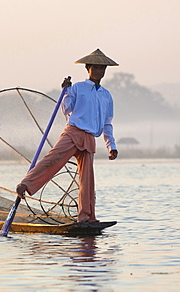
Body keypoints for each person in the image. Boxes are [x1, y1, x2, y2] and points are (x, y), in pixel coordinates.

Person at [16, 49, 119, 223]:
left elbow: (107, 123)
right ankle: (25, 184)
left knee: (87, 180)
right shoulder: (78, 87)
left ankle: (86, 217)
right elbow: (66, 109)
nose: (100, 71)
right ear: (88, 68)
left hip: (89, 138)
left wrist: (112, 146)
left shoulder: (106, 95)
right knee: (53, 159)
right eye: (96, 68)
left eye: (102, 69)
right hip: (73, 132)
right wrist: (66, 91)